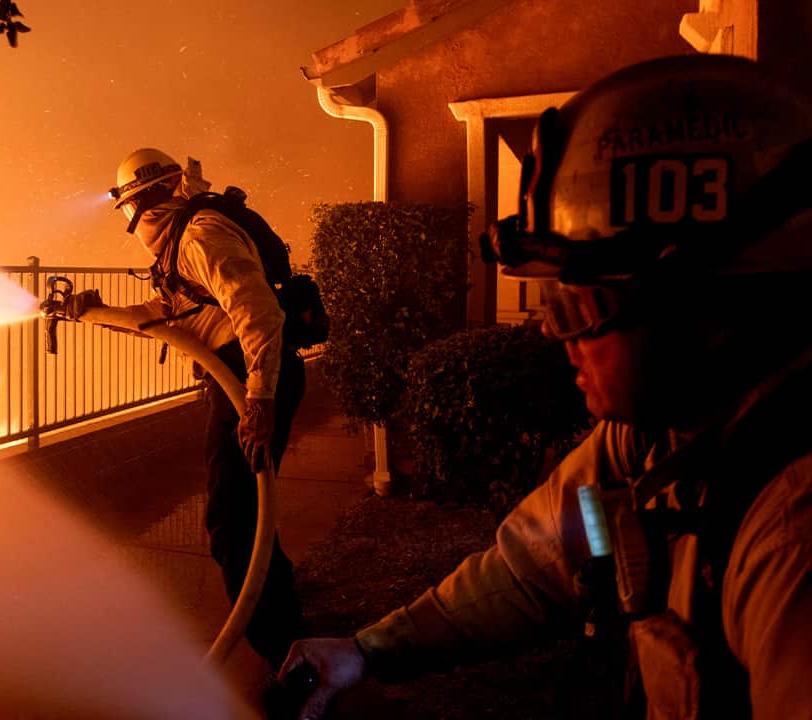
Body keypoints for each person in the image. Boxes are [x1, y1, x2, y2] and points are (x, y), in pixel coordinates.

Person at [279, 54, 812, 719]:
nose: (556, 333)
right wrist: (366, 651)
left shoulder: (794, 535)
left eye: (583, 302)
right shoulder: (650, 440)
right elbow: (538, 564)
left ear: (702, 309)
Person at [63, 148, 308, 672]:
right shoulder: (183, 242)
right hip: (241, 379)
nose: (133, 224)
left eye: (131, 209)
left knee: (234, 523)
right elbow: (169, 315)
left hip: (250, 379)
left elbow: (258, 310)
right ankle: (288, 632)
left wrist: (259, 400)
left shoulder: (199, 236)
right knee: (247, 517)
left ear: (141, 203)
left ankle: (291, 661)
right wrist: (93, 314)